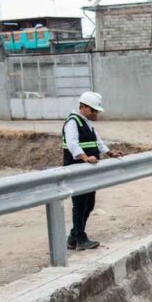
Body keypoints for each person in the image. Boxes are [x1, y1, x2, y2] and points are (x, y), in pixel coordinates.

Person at [62, 92, 121, 250]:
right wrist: (85, 157)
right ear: (83, 107)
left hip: (88, 171)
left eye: (96, 111)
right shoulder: (73, 122)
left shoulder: (86, 123)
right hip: (77, 170)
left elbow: (97, 141)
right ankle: (80, 238)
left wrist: (110, 153)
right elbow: (72, 143)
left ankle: (73, 237)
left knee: (89, 204)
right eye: (93, 110)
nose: (96, 113)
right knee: (80, 205)